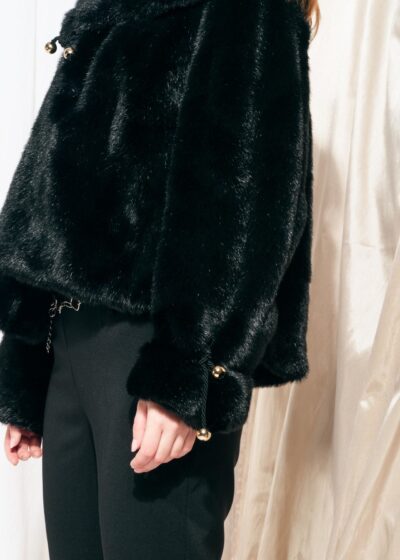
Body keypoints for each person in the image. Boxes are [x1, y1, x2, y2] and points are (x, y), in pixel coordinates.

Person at [0, 0, 319, 558]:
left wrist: (185, 374)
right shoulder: (107, 9)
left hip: (153, 352)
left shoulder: (248, 11)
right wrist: (25, 367)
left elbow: (244, 205)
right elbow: (53, 198)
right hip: (67, 342)